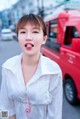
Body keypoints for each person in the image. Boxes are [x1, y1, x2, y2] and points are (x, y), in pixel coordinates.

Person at [0, 14, 63, 119]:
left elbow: (55, 114)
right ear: (18, 37)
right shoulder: (8, 68)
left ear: (44, 39)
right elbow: (4, 107)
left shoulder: (53, 71)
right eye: (23, 32)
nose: (28, 37)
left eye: (35, 32)